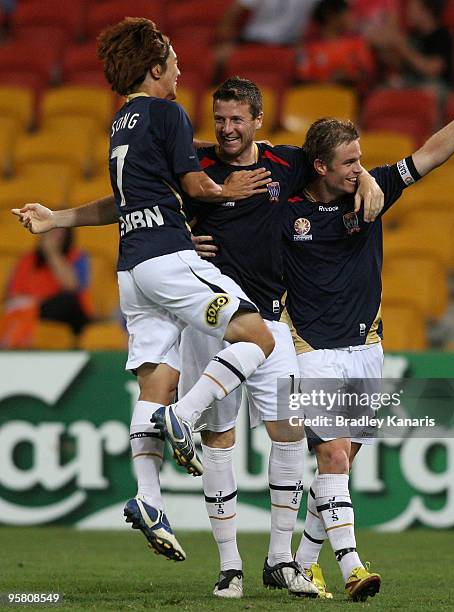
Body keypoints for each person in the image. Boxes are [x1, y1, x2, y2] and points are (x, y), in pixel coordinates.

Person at [11, 17, 281, 564]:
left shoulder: (122, 123)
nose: (182, 70)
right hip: (167, 254)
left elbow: (122, 201)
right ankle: (185, 418)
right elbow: (197, 186)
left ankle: (149, 499)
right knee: (258, 335)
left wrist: (56, 217)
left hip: (130, 271)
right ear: (156, 69)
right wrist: (228, 190)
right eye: (175, 62)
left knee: (155, 383)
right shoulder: (166, 111)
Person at [281, 77, 454, 600]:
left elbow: (431, 154)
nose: (359, 168)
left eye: (360, 158)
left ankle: (300, 564)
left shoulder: (375, 190)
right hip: (312, 351)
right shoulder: (286, 214)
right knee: (333, 459)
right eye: (348, 162)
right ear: (320, 166)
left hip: (368, 348)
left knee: (340, 467)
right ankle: (353, 568)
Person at [182, 76, 384, 598]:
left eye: (236, 120)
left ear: (256, 120)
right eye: (219, 119)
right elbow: (140, 200)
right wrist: (184, 240)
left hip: (272, 322)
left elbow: (337, 161)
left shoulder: (285, 164)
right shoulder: (193, 172)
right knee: (219, 439)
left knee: (290, 433)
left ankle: (280, 559)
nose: (227, 129)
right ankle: (230, 565)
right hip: (213, 316)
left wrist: (365, 180)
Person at [0, 227, 92, 348]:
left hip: (70, 312)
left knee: (67, 300)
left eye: (59, 231)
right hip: (34, 309)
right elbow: (13, 295)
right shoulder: (27, 260)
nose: (54, 235)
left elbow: (72, 287)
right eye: (50, 231)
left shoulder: (78, 257)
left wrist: (52, 253)